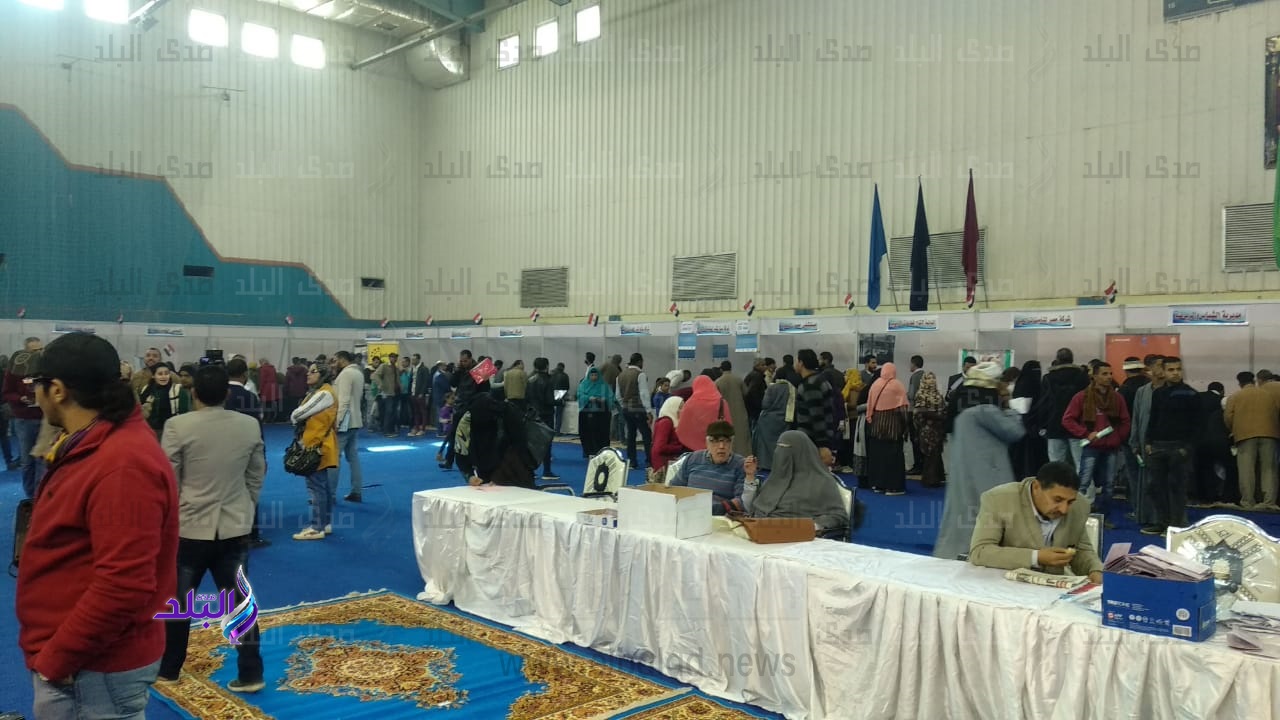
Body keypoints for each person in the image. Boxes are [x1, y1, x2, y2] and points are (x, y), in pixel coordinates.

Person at [17, 333, 179, 719]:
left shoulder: (122, 464)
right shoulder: (94, 443)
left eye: (36, 386)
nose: (34, 395)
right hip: (82, 663)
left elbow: (124, 585)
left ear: (57, 390)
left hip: (91, 668)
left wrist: (58, 659)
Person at [157, 365, 265, 692]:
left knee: (179, 603)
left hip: (190, 528)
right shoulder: (248, 425)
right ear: (227, 394)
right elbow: (256, 474)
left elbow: (168, 481)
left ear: (193, 393)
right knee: (240, 603)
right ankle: (251, 674)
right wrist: (245, 506)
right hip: (234, 526)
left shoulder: (177, 426)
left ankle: (169, 670)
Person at [932, 367, 1026, 561]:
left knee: (962, 517)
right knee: (989, 520)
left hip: (965, 476)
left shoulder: (962, 414)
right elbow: (1015, 431)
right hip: (988, 477)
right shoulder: (986, 411)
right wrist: (1010, 408)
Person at [968, 461, 1104, 585]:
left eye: (1070, 502)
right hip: (1005, 585)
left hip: (1053, 589)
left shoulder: (1080, 506)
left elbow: (1081, 550)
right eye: (1057, 500)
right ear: (1036, 487)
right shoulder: (998, 500)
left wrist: (1095, 570)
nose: (1064, 509)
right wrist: (1036, 557)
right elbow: (980, 551)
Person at [1061, 362, 1130, 528]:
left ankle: (1104, 518)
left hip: (1111, 448)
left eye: (1110, 373)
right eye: (1104, 374)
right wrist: (1085, 433)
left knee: (1109, 485)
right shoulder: (1082, 397)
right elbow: (1067, 420)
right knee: (1083, 483)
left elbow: (1126, 421)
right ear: (1095, 376)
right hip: (1091, 446)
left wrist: (1117, 438)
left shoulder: (1117, 398)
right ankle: (1075, 517)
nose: (1109, 377)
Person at [744, 430, 849, 537]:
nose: (781, 453)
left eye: (786, 448)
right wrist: (750, 478)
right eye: (779, 447)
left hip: (795, 536)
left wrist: (812, 526)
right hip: (758, 532)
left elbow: (839, 516)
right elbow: (754, 508)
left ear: (802, 453)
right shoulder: (775, 478)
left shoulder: (822, 481)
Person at [290, 364, 338, 541]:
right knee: (322, 486)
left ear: (323, 374)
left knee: (316, 487)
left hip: (317, 445)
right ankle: (324, 523)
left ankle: (317, 527)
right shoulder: (319, 392)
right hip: (318, 442)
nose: (308, 374)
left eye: (313, 371)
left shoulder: (324, 393)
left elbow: (298, 414)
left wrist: (294, 416)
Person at [668, 420, 756, 514]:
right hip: (688, 512)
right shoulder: (693, 459)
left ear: (732, 443)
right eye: (715, 441)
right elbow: (674, 488)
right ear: (707, 443)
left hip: (722, 516)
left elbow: (742, 502)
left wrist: (715, 509)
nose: (721, 446)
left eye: (726, 441)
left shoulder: (741, 465)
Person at [863, 362, 910, 495]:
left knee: (878, 457)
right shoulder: (897, 385)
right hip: (893, 428)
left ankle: (878, 484)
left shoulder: (875, 384)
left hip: (877, 426)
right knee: (893, 458)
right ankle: (893, 487)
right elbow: (903, 408)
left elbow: (869, 405)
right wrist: (906, 426)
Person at [332, 351, 366, 502]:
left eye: (335, 360)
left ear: (342, 359)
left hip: (345, 421)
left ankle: (330, 494)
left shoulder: (346, 374)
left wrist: (337, 421)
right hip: (355, 420)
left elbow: (344, 400)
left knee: (334, 458)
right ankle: (356, 491)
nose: (334, 363)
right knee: (353, 458)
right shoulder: (358, 372)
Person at [675, 375, 730, 452]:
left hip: (692, 447)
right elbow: (728, 424)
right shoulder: (722, 402)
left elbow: (682, 426)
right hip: (716, 444)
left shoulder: (689, 404)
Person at [911, 372, 947, 488]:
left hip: (933, 428)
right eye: (929, 379)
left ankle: (934, 478)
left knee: (934, 453)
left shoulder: (933, 394)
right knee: (931, 453)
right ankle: (931, 479)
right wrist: (938, 416)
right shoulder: (925, 394)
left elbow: (943, 409)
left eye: (933, 379)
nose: (931, 381)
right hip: (930, 428)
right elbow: (920, 412)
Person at [752, 381, 795, 471]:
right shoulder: (792, 388)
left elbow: (765, 404)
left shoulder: (772, 387)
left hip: (767, 420)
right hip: (785, 419)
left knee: (764, 448)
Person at [576, 366, 617, 457]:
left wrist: (603, 400)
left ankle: (602, 451)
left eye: (595, 375)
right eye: (592, 375)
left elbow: (611, 397)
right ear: (589, 376)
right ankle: (589, 451)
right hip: (587, 413)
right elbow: (579, 396)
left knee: (601, 433)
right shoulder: (583, 385)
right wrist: (589, 398)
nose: (594, 377)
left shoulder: (604, 386)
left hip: (602, 415)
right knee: (588, 433)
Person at [650, 396, 688, 482]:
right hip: (663, 465)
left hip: (668, 462)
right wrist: (680, 448)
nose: (683, 410)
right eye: (680, 407)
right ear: (673, 408)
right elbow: (660, 447)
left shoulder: (672, 422)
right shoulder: (666, 422)